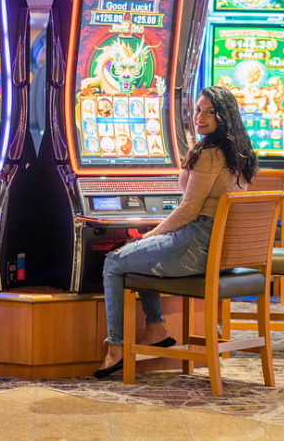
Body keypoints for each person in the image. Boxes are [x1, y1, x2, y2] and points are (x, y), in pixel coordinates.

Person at [94, 85, 259, 378]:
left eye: (210, 111)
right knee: (138, 255)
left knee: (115, 260)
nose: (201, 116)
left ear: (225, 116)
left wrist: (149, 235)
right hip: (221, 252)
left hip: (197, 247)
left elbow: (188, 210)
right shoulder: (240, 153)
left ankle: (116, 347)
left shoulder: (210, 153)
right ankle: (155, 328)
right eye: (198, 110)